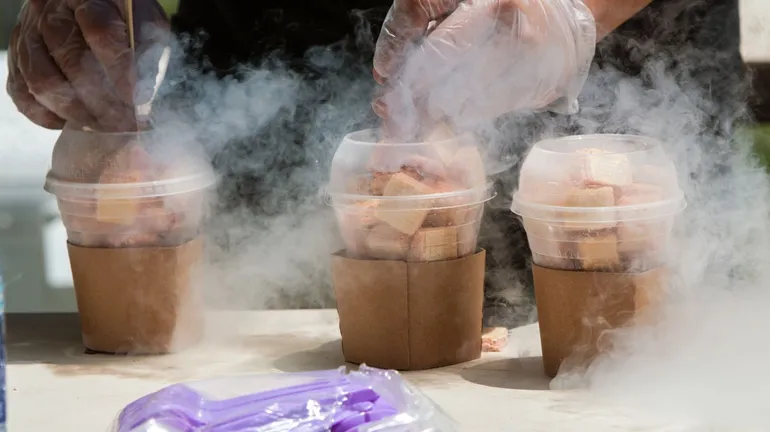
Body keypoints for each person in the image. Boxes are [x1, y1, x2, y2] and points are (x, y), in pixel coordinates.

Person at [6, 0, 746, 323]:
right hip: (267, 72)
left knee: (621, 385)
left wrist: (581, 10)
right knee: (271, 384)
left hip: (613, 91)